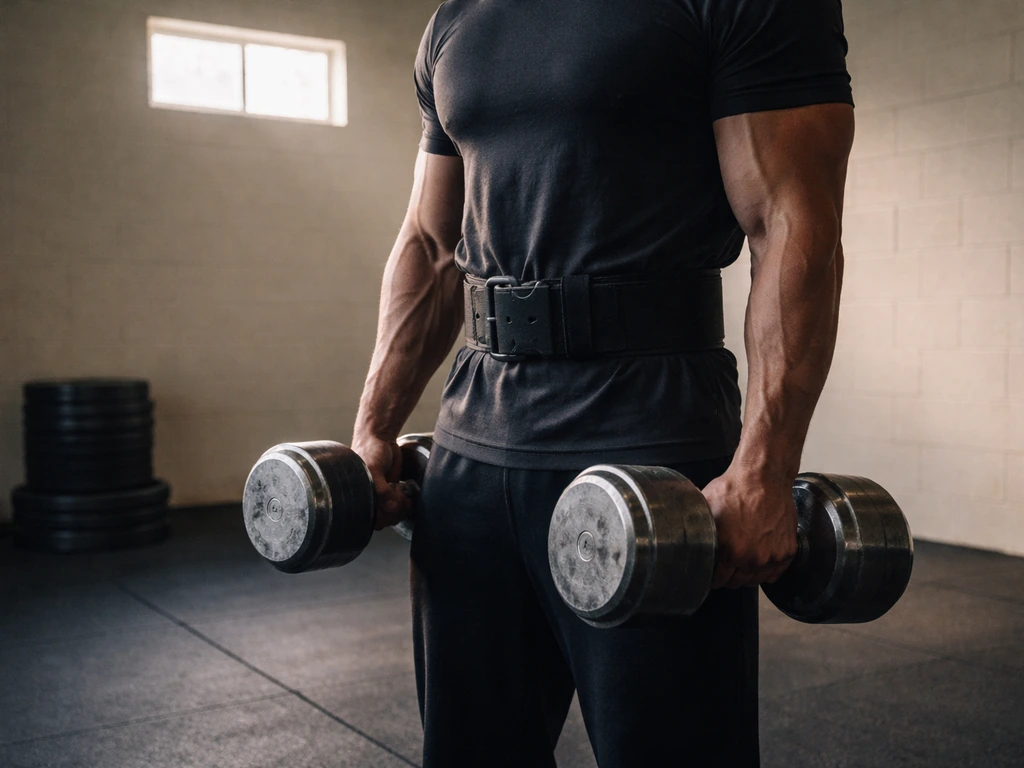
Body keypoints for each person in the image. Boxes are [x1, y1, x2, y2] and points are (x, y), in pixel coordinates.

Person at [351, 1, 854, 765]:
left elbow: (791, 222)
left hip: (652, 443)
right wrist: (373, 428)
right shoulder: (457, 17)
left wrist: (765, 466)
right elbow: (429, 240)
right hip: (471, 451)